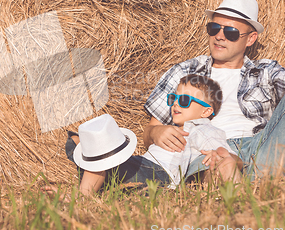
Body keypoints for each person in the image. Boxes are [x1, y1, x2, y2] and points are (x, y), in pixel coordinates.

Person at [143, 0, 285, 180]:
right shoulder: (185, 71)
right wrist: (155, 131)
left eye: (230, 32)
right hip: (208, 152)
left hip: (261, 150)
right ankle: (232, 182)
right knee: (220, 164)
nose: (219, 36)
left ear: (250, 39)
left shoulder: (265, 71)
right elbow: (150, 131)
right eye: (214, 28)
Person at [65, 74, 242, 196]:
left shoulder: (200, 127)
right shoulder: (173, 128)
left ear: (206, 111)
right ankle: (98, 184)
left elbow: (222, 152)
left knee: (97, 150)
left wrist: (219, 154)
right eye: (174, 98)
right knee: (77, 142)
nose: (175, 105)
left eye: (185, 100)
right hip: (146, 168)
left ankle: (83, 196)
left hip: (157, 172)